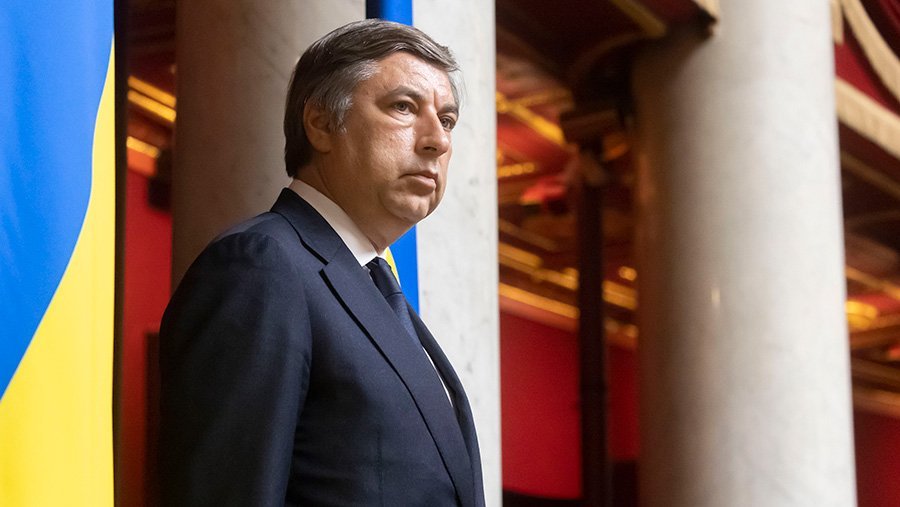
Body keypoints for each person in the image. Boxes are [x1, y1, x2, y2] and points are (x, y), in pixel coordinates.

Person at [158, 19, 484, 507]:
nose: (437, 140)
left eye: (448, 119)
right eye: (403, 107)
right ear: (322, 123)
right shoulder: (259, 265)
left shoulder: (375, 285)